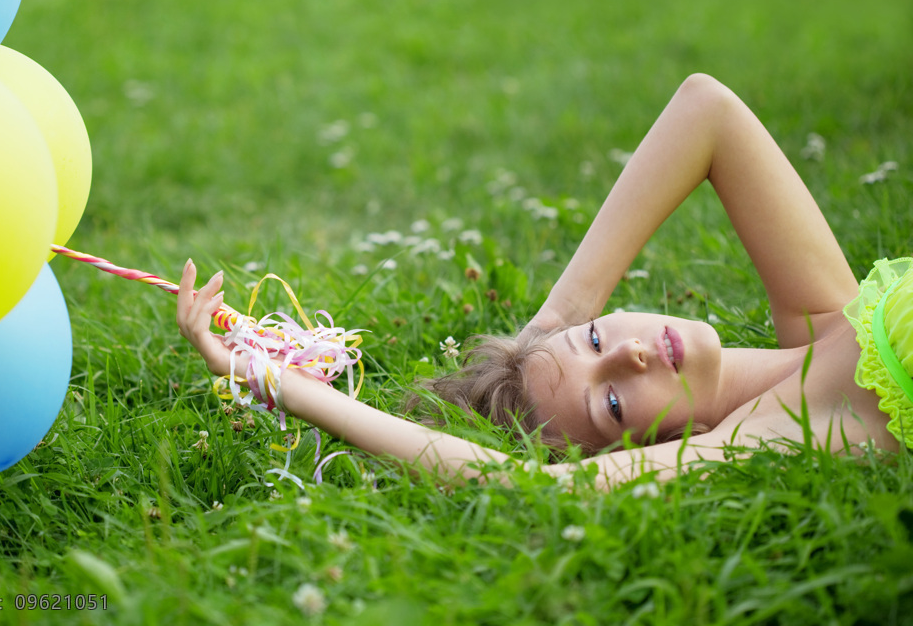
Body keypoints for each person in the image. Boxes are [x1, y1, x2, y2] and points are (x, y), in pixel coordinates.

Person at [177, 73, 911, 488]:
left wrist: (562, 314)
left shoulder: (823, 323)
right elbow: (551, 492)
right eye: (615, 401)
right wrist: (284, 386)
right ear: (650, 451)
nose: (630, 354)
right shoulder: (792, 427)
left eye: (597, 341)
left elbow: (706, 110)